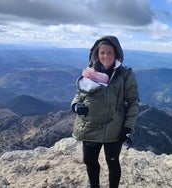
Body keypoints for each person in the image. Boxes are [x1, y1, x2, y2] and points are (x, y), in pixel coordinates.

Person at [71, 35, 139, 188]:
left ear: (116, 54)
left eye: (109, 52)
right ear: (97, 53)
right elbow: (80, 94)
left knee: (112, 162)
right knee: (89, 160)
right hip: (90, 124)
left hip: (114, 126)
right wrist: (75, 106)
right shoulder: (90, 73)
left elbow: (133, 101)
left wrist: (128, 127)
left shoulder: (125, 74)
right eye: (102, 52)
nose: (106, 56)